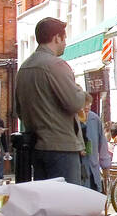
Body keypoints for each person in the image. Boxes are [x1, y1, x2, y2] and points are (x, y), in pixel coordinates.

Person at [16, 17, 88, 185]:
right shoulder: (56, 65)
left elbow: (19, 110)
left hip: (37, 147)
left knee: (47, 204)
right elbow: (75, 103)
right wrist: (80, 91)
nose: (65, 43)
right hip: (62, 147)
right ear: (57, 37)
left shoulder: (24, 68)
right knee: (67, 204)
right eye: (64, 38)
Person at [77, 100, 109, 193]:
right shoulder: (71, 118)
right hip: (77, 168)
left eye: (88, 104)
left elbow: (102, 143)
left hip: (92, 169)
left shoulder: (94, 119)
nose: (86, 107)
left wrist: (105, 166)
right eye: (84, 104)